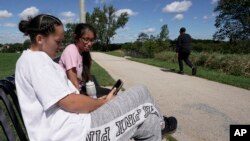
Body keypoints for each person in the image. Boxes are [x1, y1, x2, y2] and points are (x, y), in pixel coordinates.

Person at [15, 14, 177, 141]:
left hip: (74, 127)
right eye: (58, 41)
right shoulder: (36, 61)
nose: (60, 46)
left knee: (148, 122)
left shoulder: (33, 60)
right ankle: (162, 123)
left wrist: (101, 102)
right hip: (76, 133)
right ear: (40, 39)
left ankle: (158, 123)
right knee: (141, 91)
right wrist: (102, 103)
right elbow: (70, 102)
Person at [59, 23, 95, 92]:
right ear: (76, 38)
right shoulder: (71, 50)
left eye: (91, 40)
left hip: (80, 89)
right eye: (86, 39)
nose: (90, 43)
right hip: (70, 93)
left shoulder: (84, 53)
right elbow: (74, 83)